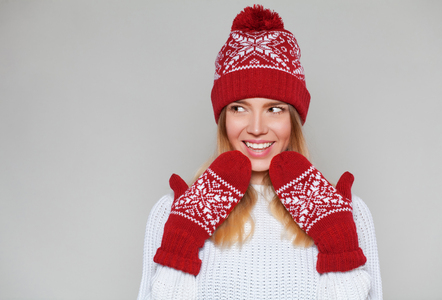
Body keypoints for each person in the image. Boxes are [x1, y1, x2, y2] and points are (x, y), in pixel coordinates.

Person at [137, 5, 382, 300]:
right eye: (239, 108)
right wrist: (179, 245)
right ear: (223, 118)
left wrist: (341, 248)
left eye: (274, 109)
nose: (256, 128)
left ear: (293, 119)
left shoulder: (346, 212)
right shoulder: (173, 212)